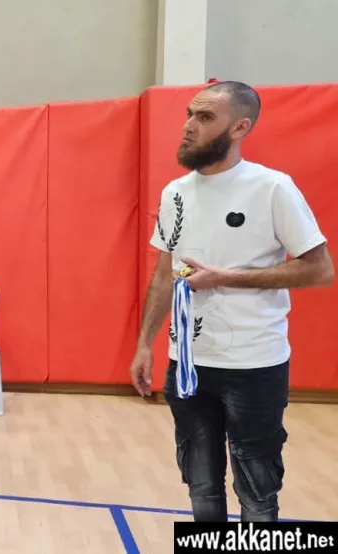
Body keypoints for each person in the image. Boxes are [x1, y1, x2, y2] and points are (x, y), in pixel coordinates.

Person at [130, 81, 334, 522]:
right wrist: (145, 344)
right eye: (189, 114)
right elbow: (164, 274)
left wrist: (227, 278)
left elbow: (321, 270)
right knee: (200, 486)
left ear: (240, 127)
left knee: (257, 492)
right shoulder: (174, 193)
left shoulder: (272, 188)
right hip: (187, 364)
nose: (188, 126)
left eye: (205, 117)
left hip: (253, 366)